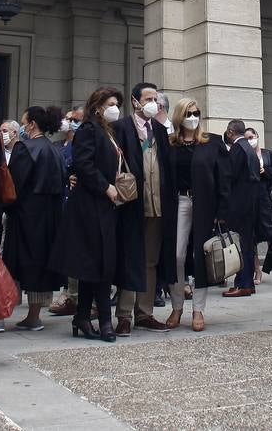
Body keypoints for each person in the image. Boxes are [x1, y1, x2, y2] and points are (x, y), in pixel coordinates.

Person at [49, 87, 127, 343]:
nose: (116, 108)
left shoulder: (108, 132)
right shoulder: (88, 130)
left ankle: (83, 316)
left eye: (117, 103)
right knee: (99, 264)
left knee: (94, 265)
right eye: (112, 103)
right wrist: (107, 187)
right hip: (90, 205)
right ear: (98, 106)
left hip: (104, 205)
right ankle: (104, 320)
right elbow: (84, 165)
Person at [160, 98, 227, 331]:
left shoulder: (212, 143)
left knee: (201, 256)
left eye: (196, 113)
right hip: (177, 201)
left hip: (204, 203)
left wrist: (222, 211)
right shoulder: (169, 143)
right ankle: (177, 306)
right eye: (188, 113)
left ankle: (198, 309)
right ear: (179, 116)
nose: (193, 117)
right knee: (176, 255)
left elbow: (223, 178)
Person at [3, 105, 66, 331]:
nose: (21, 126)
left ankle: (9, 313)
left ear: (31, 124)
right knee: (41, 265)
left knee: (20, 264)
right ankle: (34, 314)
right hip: (50, 217)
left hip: (26, 216)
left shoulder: (24, 148)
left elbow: (14, 185)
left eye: (23, 122)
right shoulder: (54, 150)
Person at [111, 82, 167, 335]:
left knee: (150, 261)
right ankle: (123, 314)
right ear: (135, 101)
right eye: (148, 98)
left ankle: (145, 313)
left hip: (157, 204)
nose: (153, 103)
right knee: (129, 256)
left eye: (155, 98)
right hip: (131, 203)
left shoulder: (160, 130)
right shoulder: (121, 127)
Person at [48, 107, 83, 318]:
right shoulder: (59, 145)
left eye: (73, 119)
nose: (68, 122)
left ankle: (73, 295)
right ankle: (68, 293)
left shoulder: (82, 144)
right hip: (62, 201)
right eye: (68, 119)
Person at [222, 119, 261, 299]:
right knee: (247, 244)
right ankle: (248, 283)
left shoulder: (238, 149)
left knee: (242, 245)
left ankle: (243, 283)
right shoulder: (248, 148)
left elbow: (230, 176)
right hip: (250, 203)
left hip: (241, 203)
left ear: (230, 132)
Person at [249, 127, 272, 288]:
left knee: (271, 235)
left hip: (266, 199)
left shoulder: (268, 154)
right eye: (247, 138)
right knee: (253, 237)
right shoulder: (245, 155)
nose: (250, 140)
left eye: (252, 136)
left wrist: (264, 171)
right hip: (252, 199)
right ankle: (257, 270)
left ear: (258, 137)